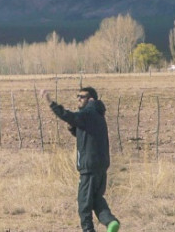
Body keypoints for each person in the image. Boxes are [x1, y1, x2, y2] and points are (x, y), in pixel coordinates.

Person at [41, 86, 120, 232]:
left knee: (84, 204)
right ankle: (110, 222)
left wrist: (50, 103)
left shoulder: (88, 112)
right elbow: (87, 136)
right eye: (77, 96)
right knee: (96, 199)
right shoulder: (98, 114)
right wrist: (73, 129)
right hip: (101, 168)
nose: (78, 98)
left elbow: (67, 115)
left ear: (91, 99)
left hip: (88, 168)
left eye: (82, 96)